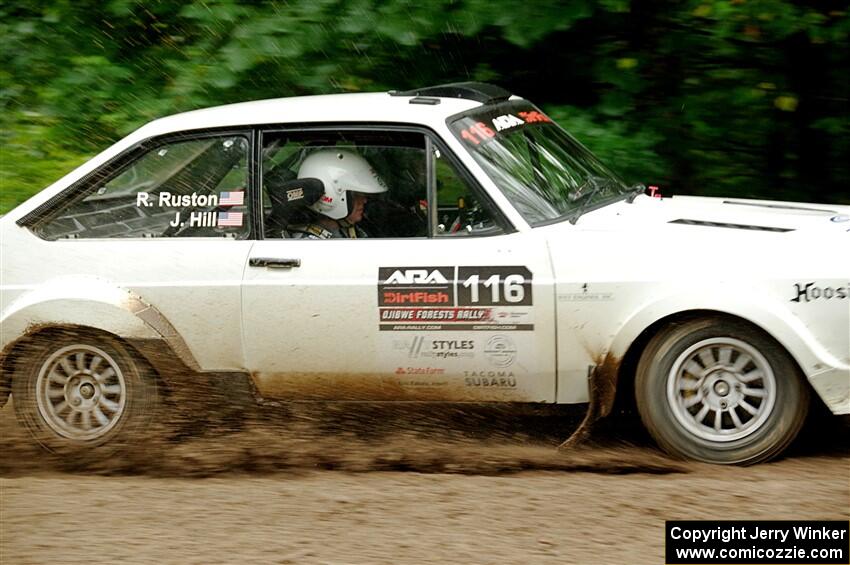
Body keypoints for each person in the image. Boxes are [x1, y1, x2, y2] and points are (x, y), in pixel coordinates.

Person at [287, 148, 388, 239]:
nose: (365, 200)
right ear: (329, 195)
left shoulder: (348, 230)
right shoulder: (312, 247)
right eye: (357, 194)